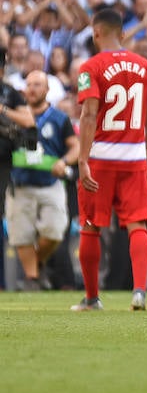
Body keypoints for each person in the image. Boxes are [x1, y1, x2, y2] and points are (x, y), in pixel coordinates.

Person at [72, 9, 147, 312]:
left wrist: (82, 160)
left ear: (96, 33)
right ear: (122, 33)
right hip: (134, 158)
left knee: (91, 226)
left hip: (99, 157)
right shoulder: (145, 66)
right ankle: (139, 292)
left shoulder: (90, 67)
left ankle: (91, 298)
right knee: (138, 223)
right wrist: (142, 152)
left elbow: (88, 114)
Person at [9, 69, 75, 290]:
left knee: (55, 230)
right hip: (19, 183)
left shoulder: (59, 118)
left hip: (50, 183)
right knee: (22, 235)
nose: (32, 89)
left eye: (37, 85)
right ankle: (33, 280)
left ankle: (35, 265)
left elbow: (75, 146)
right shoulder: (15, 117)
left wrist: (64, 162)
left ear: (47, 89)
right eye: (29, 85)